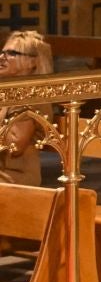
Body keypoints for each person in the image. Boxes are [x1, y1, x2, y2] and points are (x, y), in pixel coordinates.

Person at [0, 30, 53, 187]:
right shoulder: (7, 91)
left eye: (12, 53)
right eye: (2, 52)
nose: (2, 57)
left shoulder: (30, 97)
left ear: (32, 62)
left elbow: (14, 146)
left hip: (14, 176)